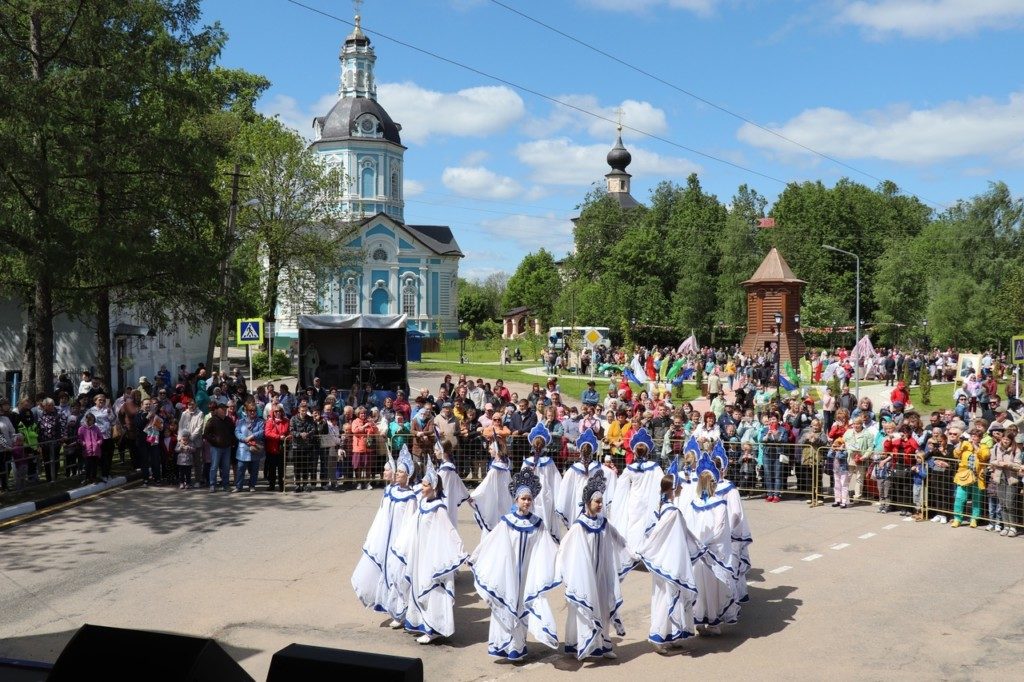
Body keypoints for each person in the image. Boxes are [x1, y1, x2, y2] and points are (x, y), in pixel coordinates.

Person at [469, 468, 560, 661]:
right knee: (506, 601)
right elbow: (491, 543)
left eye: (529, 499)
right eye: (522, 498)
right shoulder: (507, 522)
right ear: (516, 500)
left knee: (523, 604)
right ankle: (502, 643)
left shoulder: (538, 524)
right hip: (509, 572)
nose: (526, 502)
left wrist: (561, 560)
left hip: (528, 573)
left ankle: (517, 647)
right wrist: (475, 557)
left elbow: (548, 547)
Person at [555, 471, 635, 660]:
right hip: (585, 577)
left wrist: (634, 553)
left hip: (602, 576)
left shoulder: (603, 522)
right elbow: (564, 550)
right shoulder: (579, 527)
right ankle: (582, 645)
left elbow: (619, 540)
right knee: (586, 607)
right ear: (588, 503)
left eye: (601, 501)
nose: (600, 505)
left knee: (604, 607)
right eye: (596, 501)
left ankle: (604, 645)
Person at [391, 459, 468, 645]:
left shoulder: (438, 508)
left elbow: (449, 532)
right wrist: (402, 545)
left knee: (431, 589)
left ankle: (434, 628)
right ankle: (422, 623)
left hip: (431, 557)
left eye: (425, 485)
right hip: (420, 555)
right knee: (418, 588)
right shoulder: (424, 504)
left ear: (433, 487)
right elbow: (412, 526)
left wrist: (460, 552)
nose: (422, 487)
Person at [352, 448, 418, 624]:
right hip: (387, 539)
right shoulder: (392, 491)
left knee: (398, 575)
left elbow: (410, 523)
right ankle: (392, 607)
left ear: (409, 475)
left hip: (399, 541)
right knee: (386, 573)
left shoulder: (410, 497)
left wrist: (402, 544)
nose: (397, 474)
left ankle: (401, 611)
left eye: (401, 472)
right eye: (396, 471)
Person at [635, 473, 699, 652]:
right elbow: (657, 533)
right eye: (678, 486)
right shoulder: (671, 512)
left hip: (669, 560)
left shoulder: (665, 508)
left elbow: (682, 533)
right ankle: (658, 637)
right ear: (672, 489)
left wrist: (698, 547)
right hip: (667, 562)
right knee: (665, 598)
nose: (681, 488)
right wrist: (645, 550)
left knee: (670, 597)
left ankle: (670, 635)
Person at [683, 451, 738, 635]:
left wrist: (697, 545)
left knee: (700, 583)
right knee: (712, 584)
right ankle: (711, 621)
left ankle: (700, 620)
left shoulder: (694, 503)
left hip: (701, 551)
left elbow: (688, 527)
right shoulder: (717, 503)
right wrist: (705, 544)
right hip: (711, 551)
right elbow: (720, 528)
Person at [609, 428, 664, 552]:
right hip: (649, 500)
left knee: (633, 524)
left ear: (634, 452)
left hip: (634, 500)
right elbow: (662, 483)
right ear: (648, 452)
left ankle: (632, 550)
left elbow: (621, 486)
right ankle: (644, 550)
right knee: (646, 525)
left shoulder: (629, 469)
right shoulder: (655, 467)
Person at [521, 422, 563, 543]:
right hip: (546, 496)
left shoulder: (527, 462)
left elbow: (521, 481)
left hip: (529, 496)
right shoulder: (549, 462)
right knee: (545, 520)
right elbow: (557, 482)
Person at [555, 429, 601, 528]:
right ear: (592, 452)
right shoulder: (599, 468)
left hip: (577, 500)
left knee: (578, 525)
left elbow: (565, 488)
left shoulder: (572, 470)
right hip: (594, 499)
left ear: (580, 451)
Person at [469, 436, 513, 539]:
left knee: (494, 521)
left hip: (497, 499)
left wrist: (472, 496)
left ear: (496, 451)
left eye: (491, 449)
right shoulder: (504, 465)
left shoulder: (495, 469)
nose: (489, 450)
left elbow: (485, 484)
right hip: (503, 498)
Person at [951, 430, 990, 528]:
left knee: (976, 500)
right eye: (972, 436)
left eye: (976, 436)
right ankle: (957, 519)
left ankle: (974, 519)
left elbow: (985, 456)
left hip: (977, 477)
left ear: (980, 438)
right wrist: (960, 444)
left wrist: (976, 446)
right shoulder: (965, 444)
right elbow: (956, 454)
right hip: (964, 475)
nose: (973, 438)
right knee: (960, 498)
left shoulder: (984, 446)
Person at [437, 441, 470, 533]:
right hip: (447, 500)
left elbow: (436, 483)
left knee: (447, 527)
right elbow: (459, 481)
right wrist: (466, 495)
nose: (435, 452)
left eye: (436, 450)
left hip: (445, 500)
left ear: (442, 452)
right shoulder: (446, 466)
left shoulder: (446, 469)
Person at [234, 401, 265, 493]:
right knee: (240, 468)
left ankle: (252, 485)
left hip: (255, 448)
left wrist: (252, 436)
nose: (252, 412)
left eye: (254, 410)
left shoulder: (260, 421)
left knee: (254, 469)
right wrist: (244, 439)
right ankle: (239, 486)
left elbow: (262, 432)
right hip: (243, 449)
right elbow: (237, 432)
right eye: (250, 410)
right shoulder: (240, 421)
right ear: (246, 411)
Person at [204, 403, 235, 492]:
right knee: (214, 466)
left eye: (225, 410)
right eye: (222, 409)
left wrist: (232, 441)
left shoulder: (229, 420)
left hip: (227, 447)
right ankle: (212, 485)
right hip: (216, 448)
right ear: (217, 410)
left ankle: (225, 485)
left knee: (226, 467)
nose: (224, 411)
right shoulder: (212, 420)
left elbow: (233, 432)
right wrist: (214, 441)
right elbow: (206, 434)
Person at [77, 412, 104, 483]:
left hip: (95, 449)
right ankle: (87, 478)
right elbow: (80, 438)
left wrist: (99, 442)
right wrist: (83, 443)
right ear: (85, 420)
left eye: (91, 420)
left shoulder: (96, 428)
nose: (89, 421)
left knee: (94, 465)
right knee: (87, 465)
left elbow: (100, 437)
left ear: (93, 420)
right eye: (88, 420)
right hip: (87, 449)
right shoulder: (81, 429)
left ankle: (94, 477)